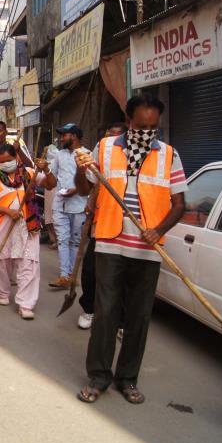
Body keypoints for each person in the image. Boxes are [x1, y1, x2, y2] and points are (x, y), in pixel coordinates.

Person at [74, 95, 187, 405]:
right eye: (141, 126)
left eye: (153, 128)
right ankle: (98, 377)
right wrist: (80, 169)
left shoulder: (169, 155)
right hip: (110, 243)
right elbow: (85, 188)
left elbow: (180, 204)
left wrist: (159, 230)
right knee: (105, 313)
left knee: (138, 317)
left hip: (147, 249)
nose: (147, 132)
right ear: (128, 121)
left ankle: (127, 379)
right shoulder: (105, 148)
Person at [0, 144, 52, 319]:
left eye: (9, 160)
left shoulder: (29, 173)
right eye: (2, 162)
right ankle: (3, 292)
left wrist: (47, 170)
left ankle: (26, 304)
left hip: (28, 225)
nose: (6, 164)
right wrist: (8, 211)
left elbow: (50, 184)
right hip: (5, 225)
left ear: (16, 157)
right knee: (2, 261)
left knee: (28, 263)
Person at [77, 122, 127, 330]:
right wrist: (91, 200)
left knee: (122, 276)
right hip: (102, 222)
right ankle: (89, 309)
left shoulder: (131, 156)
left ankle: (121, 320)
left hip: (128, 226)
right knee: (91, 269)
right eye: (108, 134)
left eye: (116, 135)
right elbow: (90, 185)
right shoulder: (102, 151)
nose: (111, 139)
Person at [48, 123, 90, 289]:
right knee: (63, 240)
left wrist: (75, 190)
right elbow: (52, 178)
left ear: (73, 136)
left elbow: (92, 181)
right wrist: (45, 170)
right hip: (60, 204)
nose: (61, 138)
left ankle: (72, 275)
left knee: (75, 242)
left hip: (80, 204)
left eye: (64, 135)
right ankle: (65, 276)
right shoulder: (59, 155)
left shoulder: (87, 154)